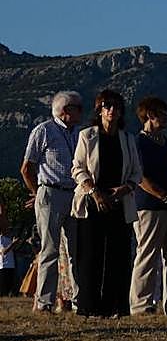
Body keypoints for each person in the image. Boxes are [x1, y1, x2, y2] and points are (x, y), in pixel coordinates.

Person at [70, 90, 141, 318]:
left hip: (119, 203)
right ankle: (89, 306)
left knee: (118, 256)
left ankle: (116, 306)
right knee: (90, 255)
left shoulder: (128, 139)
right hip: (92, 203)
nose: (112, 111)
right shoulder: (87, 136)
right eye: (107, 106)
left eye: (116, 107)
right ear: (99, 110)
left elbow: (137, 173)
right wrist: (94, 192)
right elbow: (78, 168)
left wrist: (125, 188)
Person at [19, 90, 84, 313]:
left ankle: (77, 300)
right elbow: (27, 167)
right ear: (66, 110)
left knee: (76, 249)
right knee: (49, 249)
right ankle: (44, 302)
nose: (82, 112)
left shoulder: (79, 134)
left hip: (75, 194)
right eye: (78, 107)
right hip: (51, 192)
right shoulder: (44, 131)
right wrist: (37, 193)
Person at [130, 96, 167, 315]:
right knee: (147, 254)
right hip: (149, 206)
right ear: (150, 115)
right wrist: (162, 195)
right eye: (163, 113)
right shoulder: (139, 142)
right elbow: (140, 176)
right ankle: (141, 304)